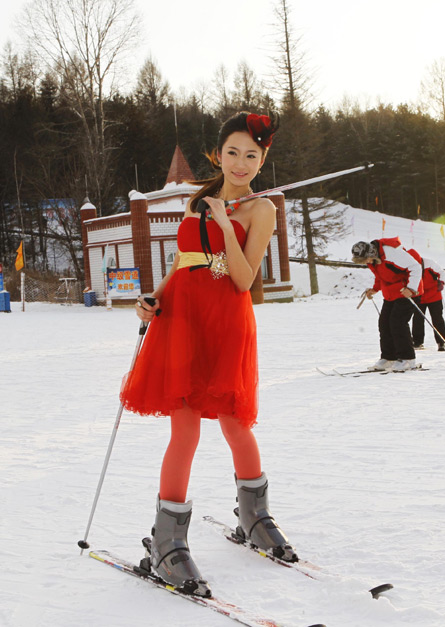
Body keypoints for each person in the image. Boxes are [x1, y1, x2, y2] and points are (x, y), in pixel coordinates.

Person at [118, 112, 295, 598]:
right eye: (233, 152)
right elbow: (184, 262)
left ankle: (254, 516)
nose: (241, 164)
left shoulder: (262, 210)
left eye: (252, 155)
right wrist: (154, 297)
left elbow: (242, 279)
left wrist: (224, 220)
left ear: (263, 160)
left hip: (226, 321)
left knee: (235, 423)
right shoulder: (199, 199)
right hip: (183, 319)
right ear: (219, 154)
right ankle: (167, 543)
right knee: (186, 429)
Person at [351, 237, 423, 371]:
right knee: (384, 323)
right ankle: (389, 358)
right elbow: (381, 275)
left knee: (397, 322)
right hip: (390, 294)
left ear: (371, 253)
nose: (365, 262)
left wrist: (411, 288)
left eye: (365, 259)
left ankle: (408, 359)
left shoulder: (392, 253)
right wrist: (375, 289)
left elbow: (416, 267)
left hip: (407, 292)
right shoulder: (373, 259)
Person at [412, 256, 445, 352]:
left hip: (434, 295)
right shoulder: (409, 265)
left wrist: (442, 283)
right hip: (419, 296)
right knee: (417, 319)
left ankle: (441, 342)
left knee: (437, 319)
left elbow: (442, 273)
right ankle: (417, 341)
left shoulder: (429, 263)